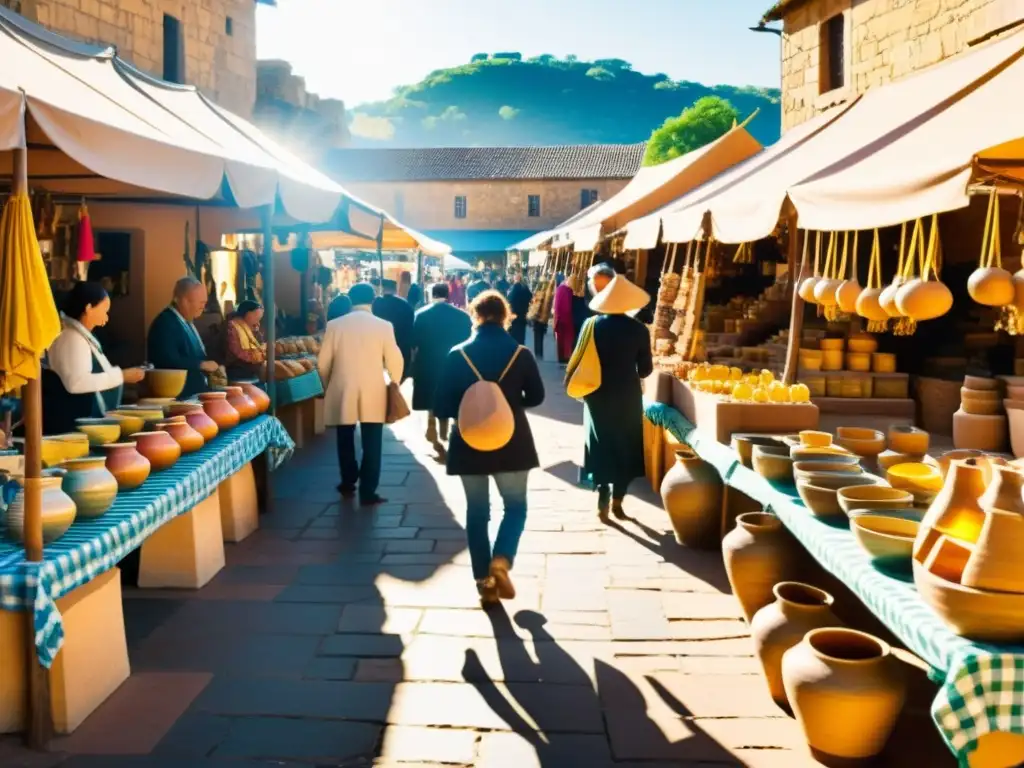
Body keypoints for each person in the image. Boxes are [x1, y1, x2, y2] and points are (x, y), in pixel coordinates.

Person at [433, 291, 545, 605]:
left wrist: (470, 407)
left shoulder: (458, 354)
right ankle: (503, 558)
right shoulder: (520, 353)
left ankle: (485, 582)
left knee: (477, 512)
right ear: (506, 316)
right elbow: (536, 397)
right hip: (513, 442)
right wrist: (507, 404)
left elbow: (441, 405)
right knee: (516, 506)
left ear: (475, 316)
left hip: (469, 443)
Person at [568, 275, 653, 520]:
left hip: (596, 393)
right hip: (627, 394)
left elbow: (579, 356)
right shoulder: (638, 330)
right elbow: (645, 369)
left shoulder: (591, 325)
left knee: (600, 442)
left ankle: (602, 495)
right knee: (626, 444)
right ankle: (618, 500)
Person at [318, 282, 404, 505]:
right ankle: (368, 490)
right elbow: (395, 359)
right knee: (372, 439)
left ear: (350, 299)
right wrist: (395, 381)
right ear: (373, 300)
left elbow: (323, 363)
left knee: (344, 436)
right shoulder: (384, 326)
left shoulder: (334, 325)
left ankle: (348, 480)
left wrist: (328, 384)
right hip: (373, 387)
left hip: (342, 385)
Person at [43, 281, 146, 434]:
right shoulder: (73, 338)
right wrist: (121, 376)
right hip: (73, 425)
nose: (107, 317)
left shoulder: (80, 336)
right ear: (89, 308)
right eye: (104, 310)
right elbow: (76, 383)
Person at [411, 283, 472, 451]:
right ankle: (449, 428)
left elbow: (414, 343)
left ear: (432, 295)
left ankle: (432, 424)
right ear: (448, 294)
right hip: (454, 364)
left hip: (428, 362)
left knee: (431, 395)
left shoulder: (421, 315)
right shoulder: (462, 317)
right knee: (452, 395)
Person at [147, 276, 219, 399]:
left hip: (194, 395)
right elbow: (166, 361)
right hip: (179, 398)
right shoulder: (165, 323)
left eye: (205, 303)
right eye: (201, 303)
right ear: (184, 300)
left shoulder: (186, 321)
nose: (203, 307)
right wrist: (201, 365)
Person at [372, 279, 415, 381]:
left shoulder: (375, 304)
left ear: (382, 288)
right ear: (395, 289)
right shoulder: (406, 305)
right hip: (402, 349)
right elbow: (411, 328)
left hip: (380, 349)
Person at [224, 300, 267, 380]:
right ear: (246, 314)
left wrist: (256, 334)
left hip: (250, 370)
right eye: (256, 317)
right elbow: (241, 354)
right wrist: (262, 353)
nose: (258, 323)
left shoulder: (251, 328)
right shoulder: (233, 327)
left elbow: (259, 345)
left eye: (259, 319)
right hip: (236, 371)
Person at [506, 268, 533, 346]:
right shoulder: (525, 288)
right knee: (521, 336)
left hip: (514, 317)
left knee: (514, 336)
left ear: (516, 279)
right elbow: (530, 297)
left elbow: (509, 301)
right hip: (523, 315)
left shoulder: (513, 289)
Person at [552, 277, 575, 365]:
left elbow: (556, 306)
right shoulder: (567, 291)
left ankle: (561, 357)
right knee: (567, 340)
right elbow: (568, 307)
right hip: (566, 319)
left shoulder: (559, 290)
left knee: (560, 340)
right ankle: (566, 357)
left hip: (559, 318)